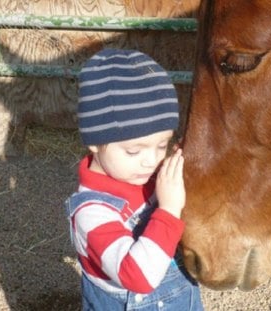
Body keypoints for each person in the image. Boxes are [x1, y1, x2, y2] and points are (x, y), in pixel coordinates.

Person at [65, 48, 204, 311]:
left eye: (162, 145)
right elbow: (137, 277)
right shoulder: (92, 213)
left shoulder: (143, 172)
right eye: (134, 150)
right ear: (94, 141)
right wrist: (168, 209)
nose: (151, 161)